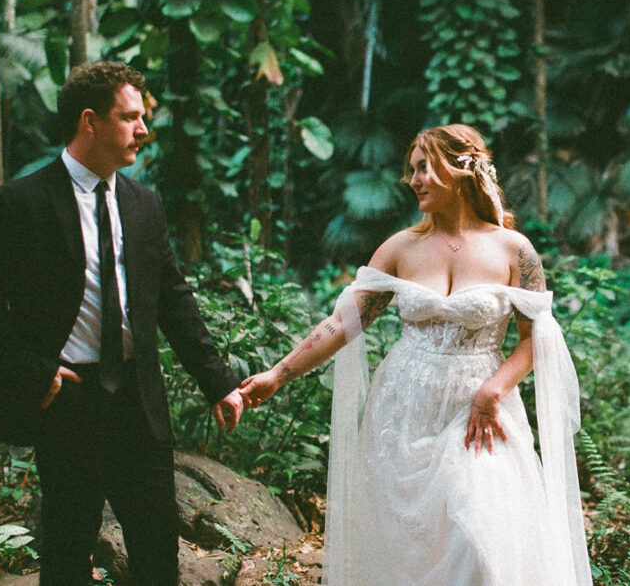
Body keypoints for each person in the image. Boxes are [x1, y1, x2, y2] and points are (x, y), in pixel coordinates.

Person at [240, 123, 593, 586]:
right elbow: (342, 322)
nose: (414, 180)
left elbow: (536, 338)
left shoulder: (514, 249)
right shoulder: (401, 247)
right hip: (403, 410)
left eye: (424, 167)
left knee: (479, 536)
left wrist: (495, 388)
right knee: (412, 545)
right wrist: (277, 375)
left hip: (478, 412)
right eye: (412, 170)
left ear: (462, 168)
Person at [0, 61, 246, 585]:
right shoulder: (20, 203)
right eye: (129, 117)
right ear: (89, 121)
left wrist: (219, 384)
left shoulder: (143, 204)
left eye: (142, 118)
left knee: (158, 549)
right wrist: (36, 374)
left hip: (139, 400)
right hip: (68, 400)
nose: (142, 129)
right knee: (68, 549)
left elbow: (173, 301)